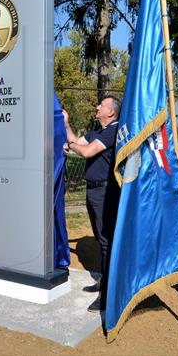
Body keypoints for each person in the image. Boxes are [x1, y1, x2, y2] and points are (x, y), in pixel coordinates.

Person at [63, 95, 121, 313]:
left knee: (106, 241)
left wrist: (70, 145)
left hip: (106, 191)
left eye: (101, 105)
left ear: (111, 112)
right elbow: (80, 142)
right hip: (94, 191)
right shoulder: (98, 131)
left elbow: (86, 152)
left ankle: (107, 293)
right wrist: (67, 126)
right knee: (100, 238)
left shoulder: (113, 131)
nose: (97, 106)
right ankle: (105, 281)